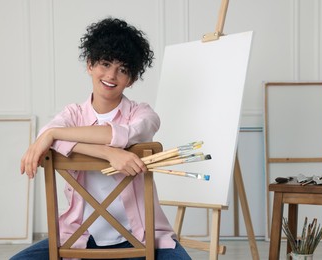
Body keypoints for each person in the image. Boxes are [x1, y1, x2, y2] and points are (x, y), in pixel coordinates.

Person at [11, 17, 191, 260]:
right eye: (105, 64)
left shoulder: (143, 114)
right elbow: (48, 133)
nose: (111, 75)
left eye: (123, 69)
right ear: (90, 65)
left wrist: (54, 135)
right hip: (79, 239)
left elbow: (120, 134)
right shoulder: (73, 115)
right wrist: (109, 153)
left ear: (132, 79)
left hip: (141, 236)